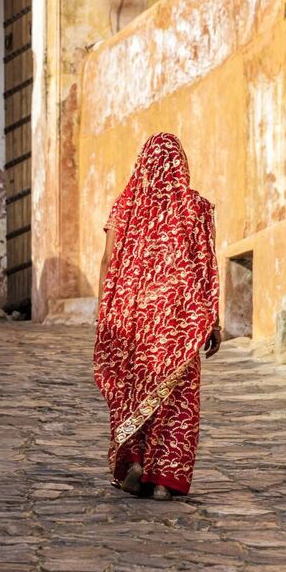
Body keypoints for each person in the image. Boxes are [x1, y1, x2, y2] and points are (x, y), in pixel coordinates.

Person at [94, 133, 221, 501]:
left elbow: (108, 260)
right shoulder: (196, 206)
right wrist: (212, 319)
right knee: (178, 396)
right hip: (180, 315)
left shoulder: (126, 205)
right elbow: (206, 266)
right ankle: (165, 477)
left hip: (133, 313)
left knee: (132, 386)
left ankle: (135, 460)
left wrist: (105, 311)